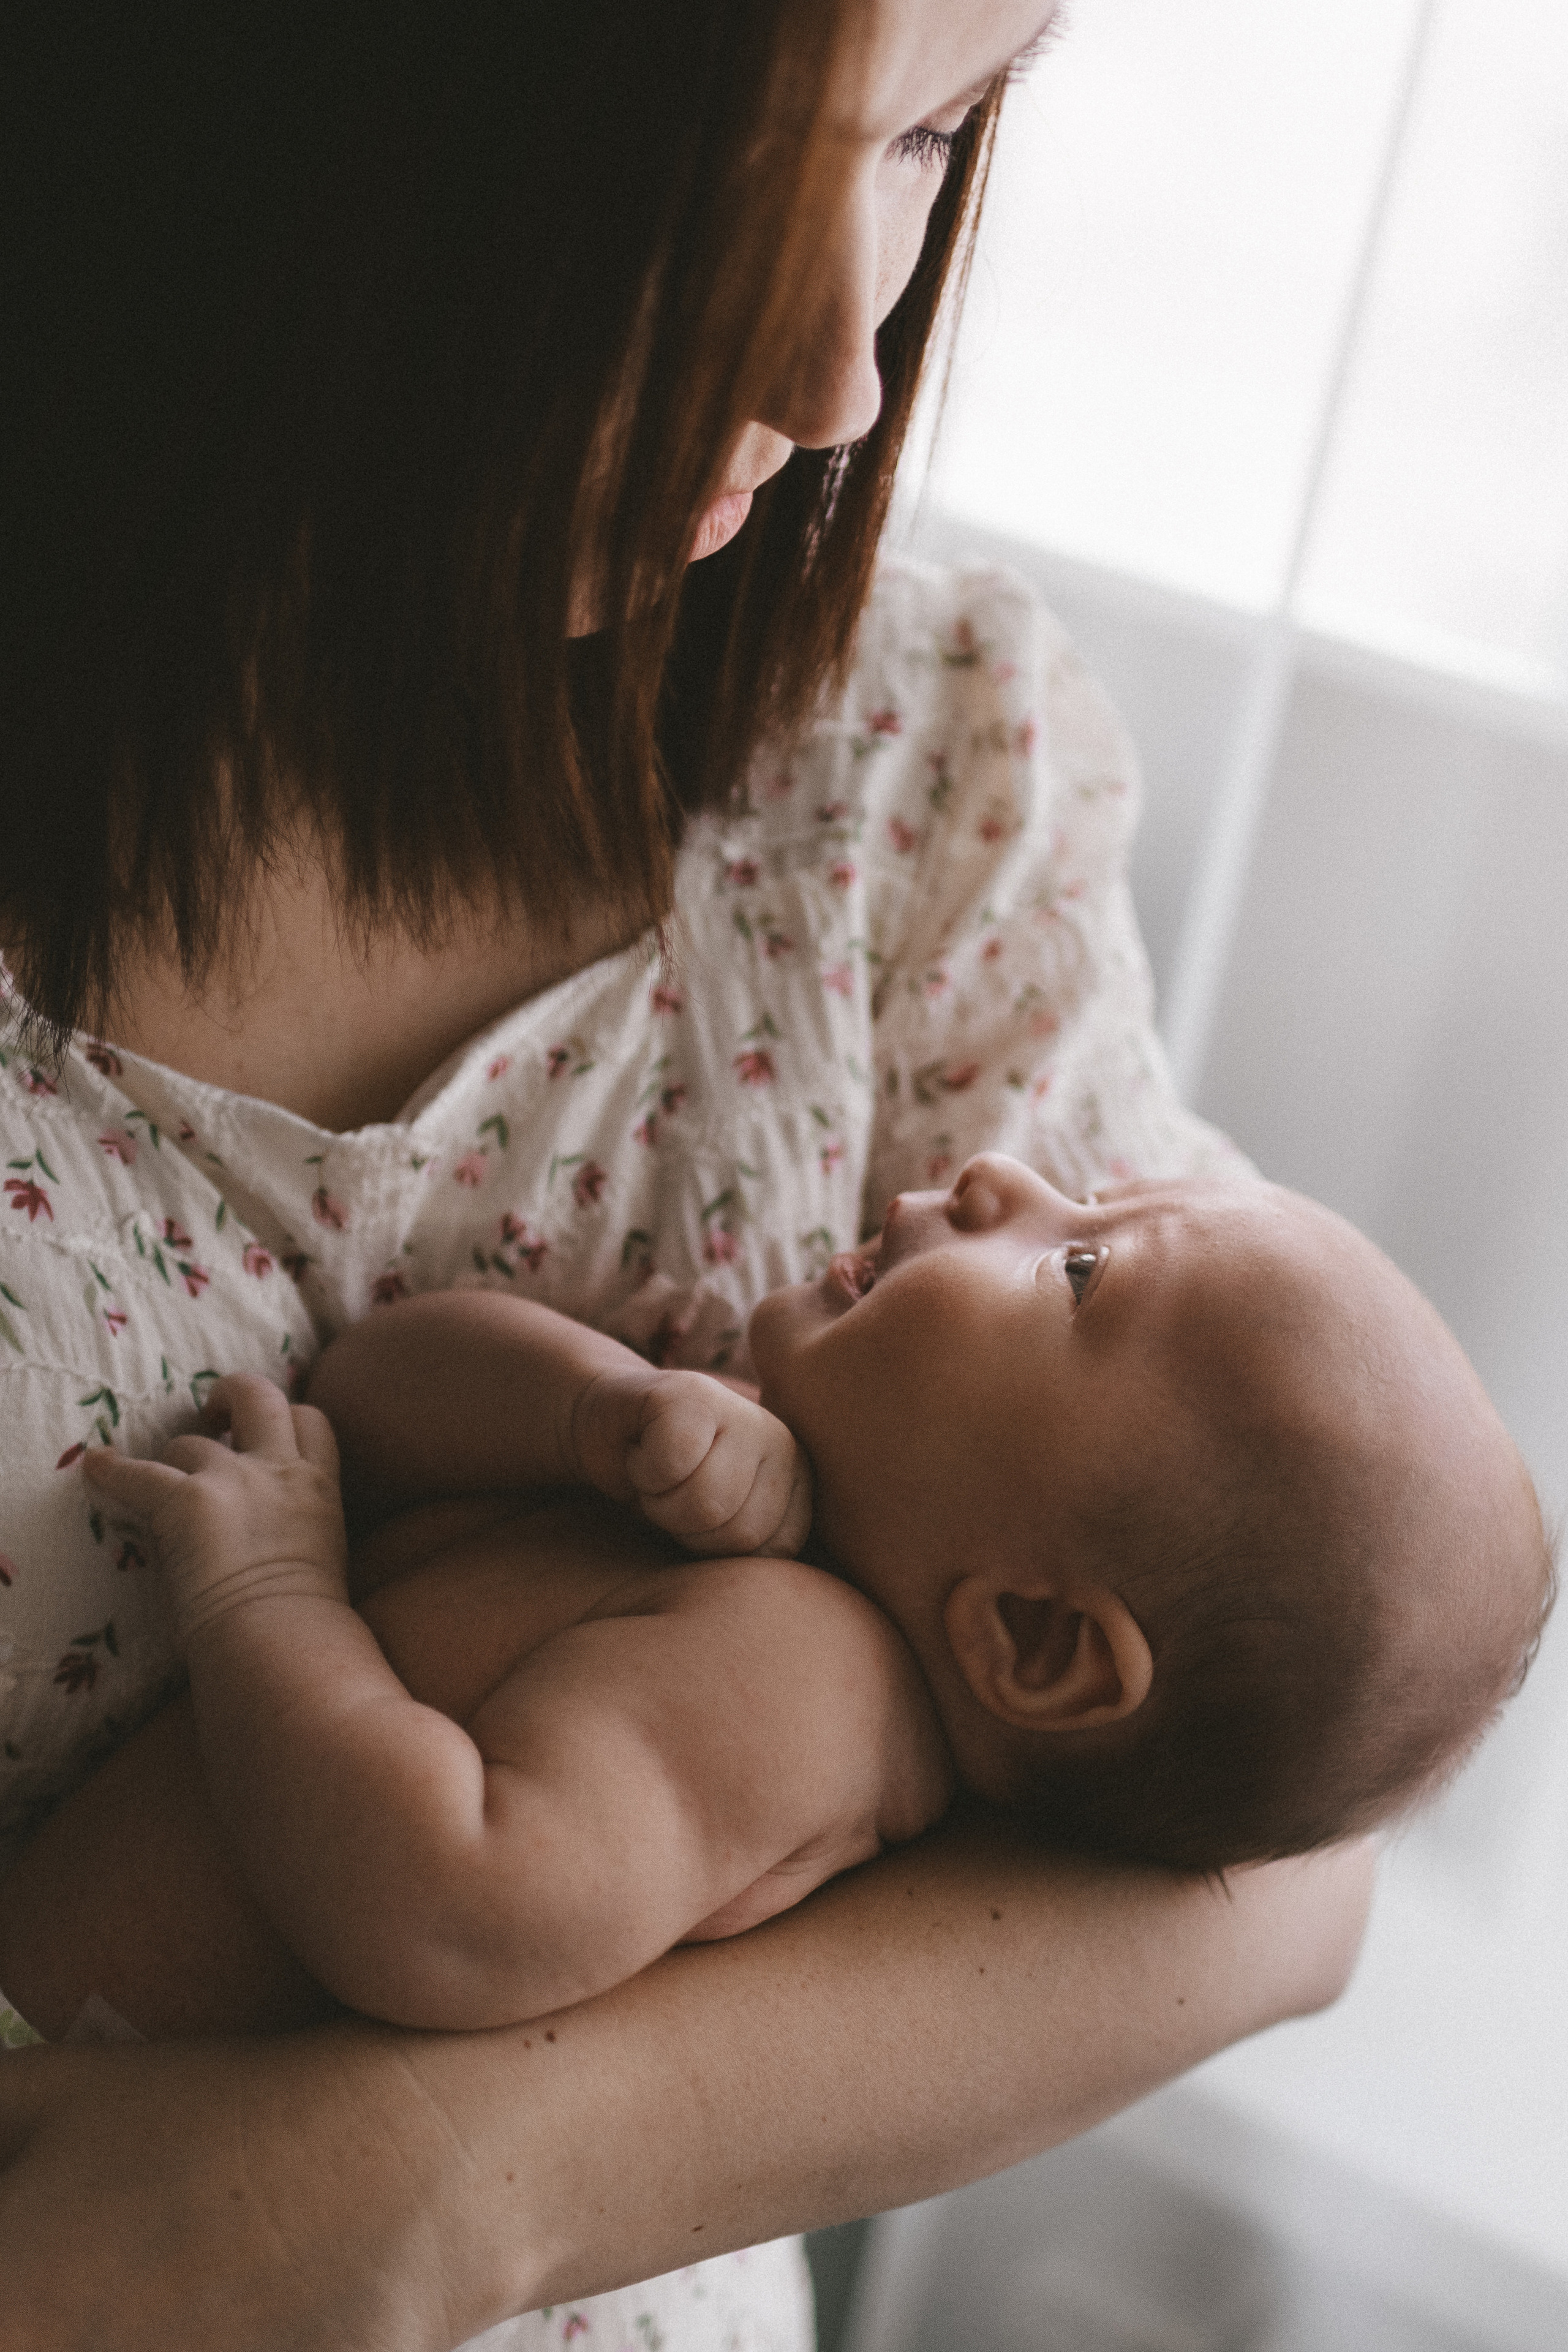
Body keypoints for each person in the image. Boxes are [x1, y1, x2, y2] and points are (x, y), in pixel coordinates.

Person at [0, 5, 1381, 2346]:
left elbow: (1297, 1838)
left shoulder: (906, 764)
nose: (840, 371)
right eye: (724, 174)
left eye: (940, 131)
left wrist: (427, 2187)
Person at [0, 1157, 1546, 2048]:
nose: (1001, 1176)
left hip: (75, 2111)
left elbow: (450, 1907)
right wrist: (587, 1406)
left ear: (1031, 1637)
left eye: (1077, 1269)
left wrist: (270, 1588)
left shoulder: (807, 1685)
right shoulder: (766, 1476)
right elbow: (364, 1400)